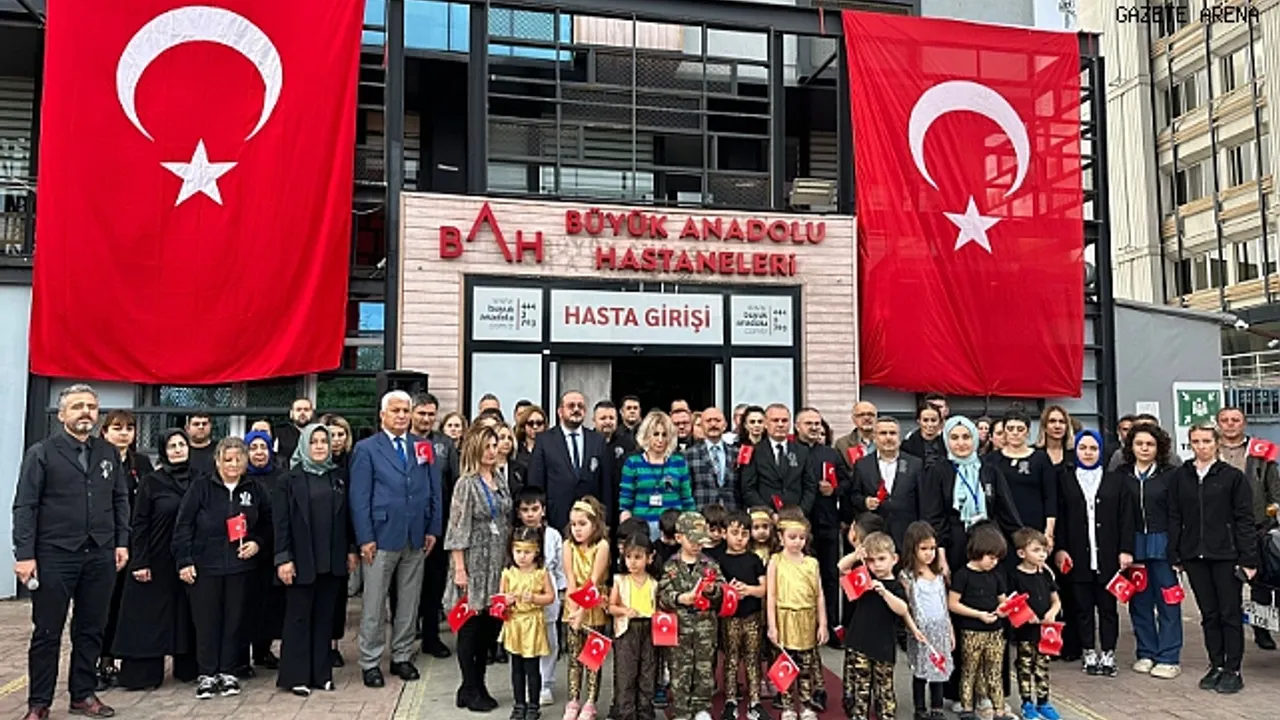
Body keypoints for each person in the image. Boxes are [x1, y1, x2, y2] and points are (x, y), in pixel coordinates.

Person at [13, 384, 129, 720]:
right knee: (47, 632)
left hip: (100, 553)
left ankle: (83, 695)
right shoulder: (42, 453)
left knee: (91, 629)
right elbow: (25, 505)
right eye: (77, 406)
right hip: (55, 554)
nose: (85, 412)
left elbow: (120, 499)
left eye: (91, 406)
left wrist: (121, 541)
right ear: (62, 414)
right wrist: (24, 554)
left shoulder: (107, 453)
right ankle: (39, 704)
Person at [349, 390, 443, 688]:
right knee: (375, 603)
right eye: (396, 410)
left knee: (409, 601)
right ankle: (370, 661)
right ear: (383, 415)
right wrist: (365, 537)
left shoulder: (423, 446)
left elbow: (433, 490)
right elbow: (359, 497)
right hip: (380, 536)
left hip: (416, 535)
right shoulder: (366, 449)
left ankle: (402, 655)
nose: (402, 415)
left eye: (405, 410)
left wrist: (432, 528)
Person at [173, 437, 268, 700]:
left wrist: (257, 543)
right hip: (205, 567)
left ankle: (228, 671)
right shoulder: (201, 487)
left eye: (238, 459)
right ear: (217, 461)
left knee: (234, 621)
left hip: (240, 567)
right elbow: (183, 525)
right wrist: (184, 560)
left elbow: (267, 523)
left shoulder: (255, 489)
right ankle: (207, 674)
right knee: (207, 622)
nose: (233, 464)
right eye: (227, 460)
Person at [1168, 423, 1257, 695]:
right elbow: (1175, 516)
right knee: (1209, 614)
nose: (1201, 446)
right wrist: (1175, 552)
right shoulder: (1181, 476)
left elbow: (1244, 519)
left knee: (1229, 613)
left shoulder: (1232, 477)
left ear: (1216, 443)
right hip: (1194, 555)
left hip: (1225, 555)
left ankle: (1233, 669)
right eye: (1196, 441)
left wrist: (1248, 559)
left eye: (1206, 441)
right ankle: (1216, 664)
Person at [113, 429, 199, 690]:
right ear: (163, 450)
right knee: (148, 617)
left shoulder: (200, 479)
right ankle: (144, 674)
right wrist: (140, 561)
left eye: (182, 444)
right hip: (155, 558)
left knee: (188, 614)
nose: (178, 449)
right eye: (172, 446)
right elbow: (139, 523)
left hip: (188, 559)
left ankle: (189, 667)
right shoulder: (152, 482)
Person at [274, 424, 356, 696]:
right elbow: (281, 523)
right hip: (300, 560)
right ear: (304, 445)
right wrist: (283, 558)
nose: (320, 446)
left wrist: (351, 549)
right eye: (314, 441)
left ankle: (321, 674)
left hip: (331, 560)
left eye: (324, 441)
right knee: (298, 618)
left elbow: (347, 518)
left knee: (324, 618)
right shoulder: (288, 479)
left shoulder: (339, 476)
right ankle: (296, 676)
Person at [1054, 430, 1134, 678]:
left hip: (1108, 554)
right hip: (1077, 554)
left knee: (1108, 608)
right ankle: (1088, 650)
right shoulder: (1065, 480)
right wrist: (1060, 548)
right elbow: (1060, 518)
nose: (1088, 453)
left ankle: (1108, 652)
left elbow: (1126, 518)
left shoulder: (1115, 481)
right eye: (1083, 448)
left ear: (1100, 451)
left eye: (1093, 448)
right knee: (1082, 607)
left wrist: (1126, 550)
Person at [445, 425, 513, 711]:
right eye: (486, 446)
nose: (492, 451)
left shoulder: (499, 478)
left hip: (497, 562)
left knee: (490, 627)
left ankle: (477, 684)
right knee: (470, 627)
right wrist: (460, 568)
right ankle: (470, 686)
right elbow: (456, 528)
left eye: (495, 445)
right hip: (474, 562)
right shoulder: (466, 483)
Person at [919, 416, 1022, 577]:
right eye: (954, 438)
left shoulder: (990, 470)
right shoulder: (938, 471)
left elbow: (1007, 512)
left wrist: (1025, 546)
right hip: (954, 544)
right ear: (946, 440)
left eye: (966, 437)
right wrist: (941, 557)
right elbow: (934, 517)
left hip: (989, 543)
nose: (961, 443)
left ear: (974, 438)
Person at [1119, 422, 1182, 679]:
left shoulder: (1171, 475)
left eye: (1150, 444)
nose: (1144, 448)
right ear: (1131, 446)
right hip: (1134, 546)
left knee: (1169, 602)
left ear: (1159, 448)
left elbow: (1179, 513)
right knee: (1140, 603)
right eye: (1139, 443)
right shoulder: (1121, 475)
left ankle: (1169, 656)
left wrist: (1177, 550)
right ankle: (1146, 652)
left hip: (1163, 545)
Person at [1214, 406, 1280, 651]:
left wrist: (1272, 517)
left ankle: (1263, 629)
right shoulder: (1210, 450)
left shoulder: (1260, 452)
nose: (1230, 424)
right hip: (1221, 529)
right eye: (1225, 420)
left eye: (1235, 420)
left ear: (1244, 423)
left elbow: (1275, 491)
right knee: (1227, 585)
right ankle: (1229, 634)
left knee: (1263, 583)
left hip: (1257, 528)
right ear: (1218, 423)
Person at [96, 410, 153, 690]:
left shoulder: (141, 463)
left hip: (133, 543)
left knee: (124, 605)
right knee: (101, 606)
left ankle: (119, 659)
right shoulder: (95, 460)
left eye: (129, 428)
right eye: (117, 428)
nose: (123, 433)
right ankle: (99, 661)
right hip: (103, 543)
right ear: (105, 432)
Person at [841, 532, 923, 720]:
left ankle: (886, 715)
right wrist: (855, 555)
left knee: (884, 689)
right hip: (859, 642)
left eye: (881, 559)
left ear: (894, 559)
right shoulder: (864, 578)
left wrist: (884, 593)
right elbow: (841, 568)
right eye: (871, 560)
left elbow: (902, 609)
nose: (876, 565)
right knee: (860, 689)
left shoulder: (896, 586)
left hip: (883, 646)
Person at [660, 512, 725, 720]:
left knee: (704, 669)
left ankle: (701, 708)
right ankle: (681, 710)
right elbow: (662, 595)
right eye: (693, 540)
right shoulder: (670, 565)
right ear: (679, 537)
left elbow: (722, 593)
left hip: (705, 628)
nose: (697, 545)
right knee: (679, 671)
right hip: (679, 629)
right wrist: (679, 598)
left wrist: (712, 591)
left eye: (700, 541)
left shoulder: (710, 565)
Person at [410, 393, 460, 660]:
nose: (427, 419)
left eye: (431, 414)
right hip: (407, 526)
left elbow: (455, 484)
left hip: (437, 526)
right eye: (422, 413)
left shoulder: (444, 445)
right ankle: (405, 637)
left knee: (433, 583)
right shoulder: (401, 443)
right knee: (403, 586)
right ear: (411, 413)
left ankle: (431, 636)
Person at [947, 525, 1014, 720]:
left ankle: (999, 709)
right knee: (969, 670)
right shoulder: (963, 575)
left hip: (995, 630)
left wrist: (1006, 608)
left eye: (997, 558)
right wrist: (978, 614)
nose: (994, 562)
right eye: (991, 557)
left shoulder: (996, 575)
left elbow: (1003, 601)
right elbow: (953, 603)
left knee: (995, 671)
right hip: (972, 630)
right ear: (978, 551)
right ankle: (967, 708)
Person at [767, 508, 826, 720]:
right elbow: (771, 595)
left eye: (801, 538)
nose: (797, 542)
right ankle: (787, 707)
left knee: (805, 666)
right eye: (792, 537)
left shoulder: (812, 563)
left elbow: (819, 595)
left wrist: (823, 624)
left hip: (806, 618)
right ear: (781, 537)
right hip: (784, 617)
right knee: (785, 665)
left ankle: (807, 705)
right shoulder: (775, 561)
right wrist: (772, 626)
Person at [796, 407, 845, 658]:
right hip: (799, 525)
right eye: (809, 423)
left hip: (827, 523)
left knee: (830, 576)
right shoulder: (792, 452)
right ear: (798, 426)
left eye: (817, 423)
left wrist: (834, 490)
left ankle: (832, 626)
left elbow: (847, 482)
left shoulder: (830, 453)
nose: (814, 427)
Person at [528, 391, 611, 530]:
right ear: (560, 412)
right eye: (571, 406)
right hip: (556, 519)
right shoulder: (545, 440)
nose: (576, 409)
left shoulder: (597, 440)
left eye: (580, 406)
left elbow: (605, 484)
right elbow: (536, 482)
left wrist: (605, 521)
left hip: (591, 520)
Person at [561, 496, 611, 720]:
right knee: (574, 657)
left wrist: (582, 612)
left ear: (595, 524)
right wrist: (573, 611)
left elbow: (593, 581)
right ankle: (573, 700)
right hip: (574, 603)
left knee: (592, 657)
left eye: (582, 524)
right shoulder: (568, 545)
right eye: (573, 524)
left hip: (593, 604)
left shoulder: (602, 546)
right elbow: (571, 579)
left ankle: (590, 702)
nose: (577, 529)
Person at [515, 487, 566, 706]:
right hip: (522, 595)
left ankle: (546, 684)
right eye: (525, 510)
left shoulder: (553, 535)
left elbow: (560, 567)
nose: (530, 514)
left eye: (534, 509)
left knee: (549, 641)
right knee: (524, 643)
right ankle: (528, 684)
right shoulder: (515, 535)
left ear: (543, 510)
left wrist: (562, 592)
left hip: (548, 593)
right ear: (518, 512)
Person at [900, 522, 954, 720]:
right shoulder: (907, 576)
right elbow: (906, 607)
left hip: (940, 628)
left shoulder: (938, 574)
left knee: (939, 667)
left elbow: (944, 604)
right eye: (924, 549)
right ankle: (920, 708)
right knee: (921, 669)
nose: (929, 553)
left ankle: (937, 707)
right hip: (920, 630)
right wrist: (913, 628)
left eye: (932, 548)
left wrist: (950, 629)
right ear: (912, 548)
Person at [502, 526, 556, 720]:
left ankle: (533, 705)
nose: (522, 556)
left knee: (532, 667)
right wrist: (506, 601)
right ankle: (519, 704)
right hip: (515, 622)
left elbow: (550, 597)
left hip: (532, 622)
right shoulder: (508, 573)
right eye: (518, 551)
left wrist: (534, 598)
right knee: (516, 667)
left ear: (536, 551)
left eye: (527, 552)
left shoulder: (541, 573)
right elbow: (501, 599)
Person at [1009, 528, 1063, 720]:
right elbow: (1010, 602)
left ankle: (1043, 702)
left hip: (1045, 631)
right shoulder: (1014, 576)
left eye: (1044, 550)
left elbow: (1056, 600)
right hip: (1025, 631)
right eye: (1036, 550)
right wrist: (1026, 614)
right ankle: (1027, 703)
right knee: (1024, 666)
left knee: (1043, 666)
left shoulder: (1046, 574)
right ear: (1021, 553)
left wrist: (1052, 612)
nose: (1042, 554)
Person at [718, 510, 768, 720]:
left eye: (745, 534)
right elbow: (715, 590)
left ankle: (755, 701)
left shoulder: (754, 559)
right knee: (731, 658)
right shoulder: (719, 561)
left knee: (753, 658)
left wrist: (748, 590)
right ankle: (730, 700)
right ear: (724, 533)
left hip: (752, 617)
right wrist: (727, 591)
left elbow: (763, 589)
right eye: (735, 533)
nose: (740, 538)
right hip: (729, 618)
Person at [848, 416, 923, 552]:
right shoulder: (862, 465)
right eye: (883, 433)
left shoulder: (915, 464)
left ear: (899, 436)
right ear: (874, 437)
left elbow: (923, 501)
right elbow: (854, 495)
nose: (888, 438)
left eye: (892, 433)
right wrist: (865, 502)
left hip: (906, 535)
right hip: (874, 535)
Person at [618, 411, 694, 540]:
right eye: (655, 434)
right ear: (646, 435)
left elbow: (687, 500)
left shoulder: (679, 462)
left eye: (664, 435)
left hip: (674, 529)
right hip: (642, 528)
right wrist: (626, 533)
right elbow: (626, 503)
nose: (660, 440)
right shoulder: (633, 463)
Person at [244, 429, 284, 672]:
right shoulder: (241, 477)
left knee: (269, 604)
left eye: (263, 448)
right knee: (245, 604)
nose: (259, 453)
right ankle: (241, 655)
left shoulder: (281, 477)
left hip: (272, 548)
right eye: (253, 448)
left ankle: (262, 650)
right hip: (245, 550)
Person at [608, 533, 659, 720]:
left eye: (638, 557)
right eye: (628, 557)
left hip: (649, 628)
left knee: (648, 672)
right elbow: (611, 607)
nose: (632, 562)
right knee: (626, 674)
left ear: (649, 558)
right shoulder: (620, 581)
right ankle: (626, 713)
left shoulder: (654, 583)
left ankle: (645, 712)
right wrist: (624, 611)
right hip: (627, 630)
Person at [993, 409, 1058, 553]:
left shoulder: (1040, 458)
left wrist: (1049, 532)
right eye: (1010, 429)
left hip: (1034, 526)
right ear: (1004, 431)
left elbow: (1050, 496)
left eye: (1020, 429)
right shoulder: (991, 460)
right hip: (1002, 529)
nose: (1015, 433)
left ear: (1028, 432)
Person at [742, 404, 816, 515]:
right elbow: (748, 489)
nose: (780, 425)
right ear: (765, 424)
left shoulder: (802, 451)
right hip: (765, 517)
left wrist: (800, 512)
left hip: (797, 517)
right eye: (775, 420)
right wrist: (769, 513)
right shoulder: (754, 452)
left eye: (784, 421)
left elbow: (810, 486)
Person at [686, 407, 739, 510]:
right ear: (701, 426)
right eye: (708, 421)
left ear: (725, 425)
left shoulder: (736, 453)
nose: (713, 424)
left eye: (717, 420)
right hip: (702, 512)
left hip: (731, 512)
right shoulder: (689, 455)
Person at [901, 406, 946, 472]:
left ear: (940, 421)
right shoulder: (907, 446)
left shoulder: (947, 444)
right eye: (925, 420)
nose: (930, 424)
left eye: (933, 420)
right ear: (918, 421)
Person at [835, 401, 879, 466]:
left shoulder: (886, 440)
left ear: (876, 418)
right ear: (853, 419)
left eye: (870, 414)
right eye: (861, 415)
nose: (866, 418)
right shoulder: (842, 444)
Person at [274, 398, 315, 467]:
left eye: (306, 410)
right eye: (298, 410)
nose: (302, 413)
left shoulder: (320, 433)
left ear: (312, 413)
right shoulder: (279, 433)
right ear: (291, 413)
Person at [186, 413, 217, 477]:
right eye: (196, 424)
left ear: (210, 426)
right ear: (187, 428)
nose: (201, 427)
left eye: (204, 424)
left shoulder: (220, 449)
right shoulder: (180, 451)